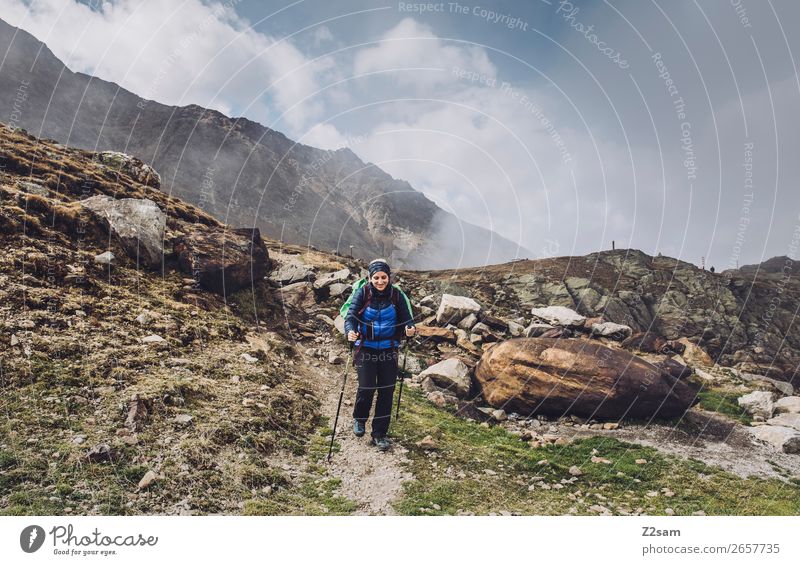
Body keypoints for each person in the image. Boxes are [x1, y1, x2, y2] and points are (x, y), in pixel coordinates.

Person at [344, 258, 415, 451]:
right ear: (370, 278)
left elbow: (408, 319)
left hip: (388, 349)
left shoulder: (397, 295)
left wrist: (410, 329)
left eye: (384, 277)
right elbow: (350, 317)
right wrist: (350, 331)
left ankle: (379, 433)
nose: (380, 281)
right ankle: (359, 419)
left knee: (386, 391)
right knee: (367, 387)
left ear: (388, 277)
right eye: (376, 277)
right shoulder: (363, 293)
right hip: (365, 348)